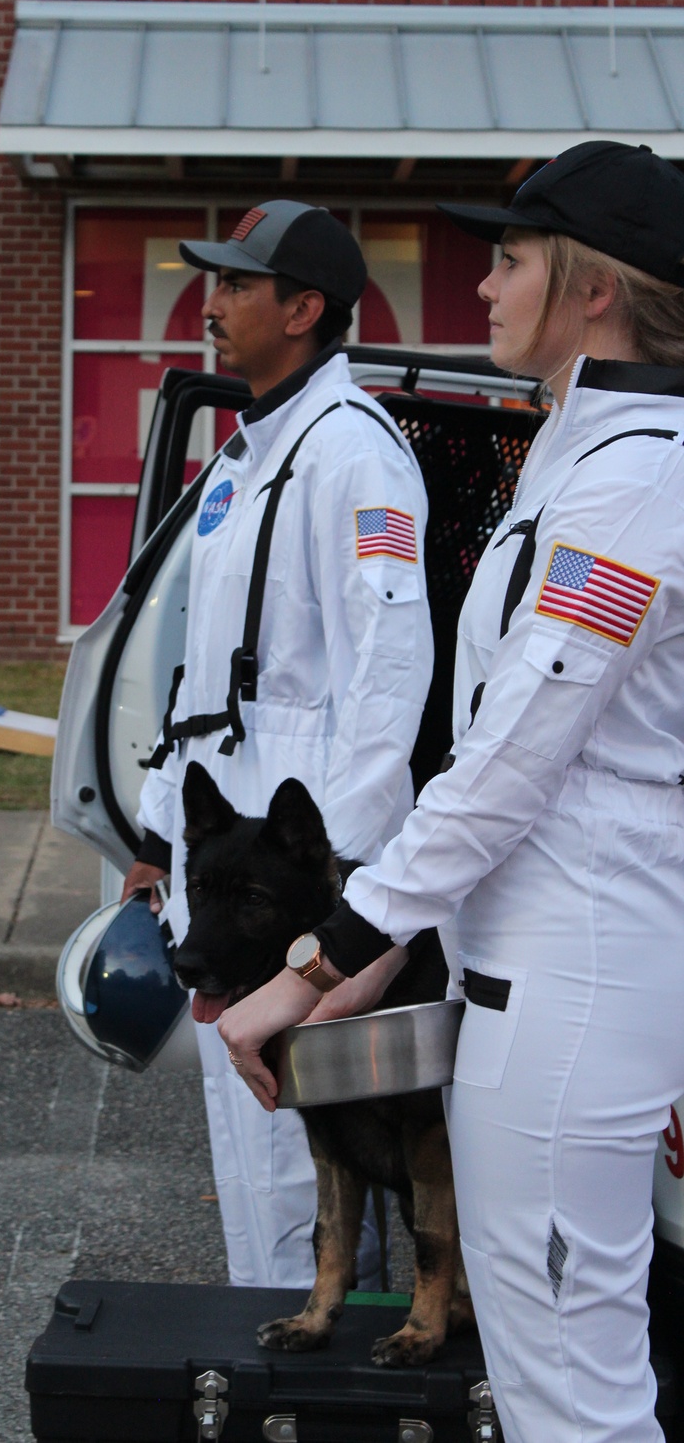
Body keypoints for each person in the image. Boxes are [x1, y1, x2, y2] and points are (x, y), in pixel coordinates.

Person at [219, 141, 684, 1442]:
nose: (483, 286)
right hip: (553, 970)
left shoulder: (633, 482)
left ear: (595, 287)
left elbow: (510, 759)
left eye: (513, 258)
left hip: (572, 980)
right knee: (555, 1380)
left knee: (569, 1396)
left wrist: (323, 963)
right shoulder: (593, 452)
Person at [120, 199, 434, 1288]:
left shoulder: (354, 458)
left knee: (304, 1133)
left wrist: (341, 891)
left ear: (303, 310)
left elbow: (388, 673)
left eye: (237, 286)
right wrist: (160, 835)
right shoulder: (243, 459)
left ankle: (320, 1358)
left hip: (293, 870)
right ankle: (268, 1349)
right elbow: (200, 682)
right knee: (244, 1119)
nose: (211, 304)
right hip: (225, 852)